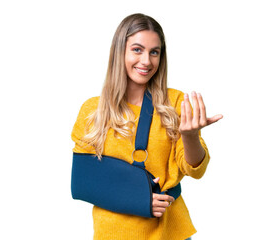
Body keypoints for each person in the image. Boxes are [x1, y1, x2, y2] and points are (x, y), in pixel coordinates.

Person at [71, 13, 222, 240]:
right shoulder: (93, 110)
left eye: (154, 52)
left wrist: (190, 136)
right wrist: (138, 198)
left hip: (168, 232)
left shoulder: (175, 103)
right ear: (120, 51)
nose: (146, 61)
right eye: (137, 50)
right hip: (112, 233)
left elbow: (196, 170)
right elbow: (83, 181)